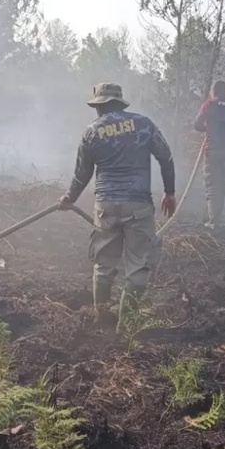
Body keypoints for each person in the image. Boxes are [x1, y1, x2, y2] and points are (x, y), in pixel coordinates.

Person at [58, 82, 177, 328]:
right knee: (138, 268)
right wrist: (170, 192)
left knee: (103, 266)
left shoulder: (92, 131)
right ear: (119, 103)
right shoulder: (144, 124)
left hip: (106, 206)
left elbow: (82, 173)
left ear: (99, 106)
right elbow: (166, 157)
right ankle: (125, 328)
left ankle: (101, 321)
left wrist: (69, 198)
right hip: (138, 206)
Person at [193, 80, 225, 229]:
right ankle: (213, 217)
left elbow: (197, 124)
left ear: (213, 91)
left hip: (213, 150)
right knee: (221, 185)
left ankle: (213, 223)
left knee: (212, 185)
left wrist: (206, 129)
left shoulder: (209, 104)